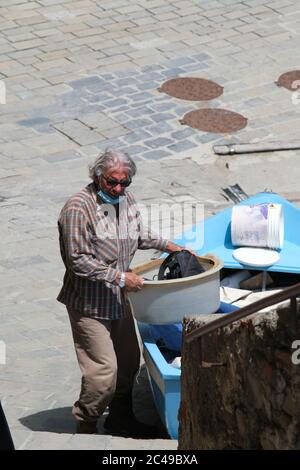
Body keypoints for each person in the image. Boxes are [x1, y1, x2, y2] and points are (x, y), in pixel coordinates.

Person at [57, 149, 186, 437]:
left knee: (128, 363)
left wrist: (171, 247)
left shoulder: (124, 199)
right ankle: (86, 423)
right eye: (111, 183)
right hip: (89, 302)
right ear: (97, 177)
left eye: (123, 183)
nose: (117, 189)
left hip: (117, 298)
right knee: (103, 373)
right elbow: (77, 259)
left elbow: (139, 233)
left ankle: (120, 418)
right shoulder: (78, 208)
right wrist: (119, 277)